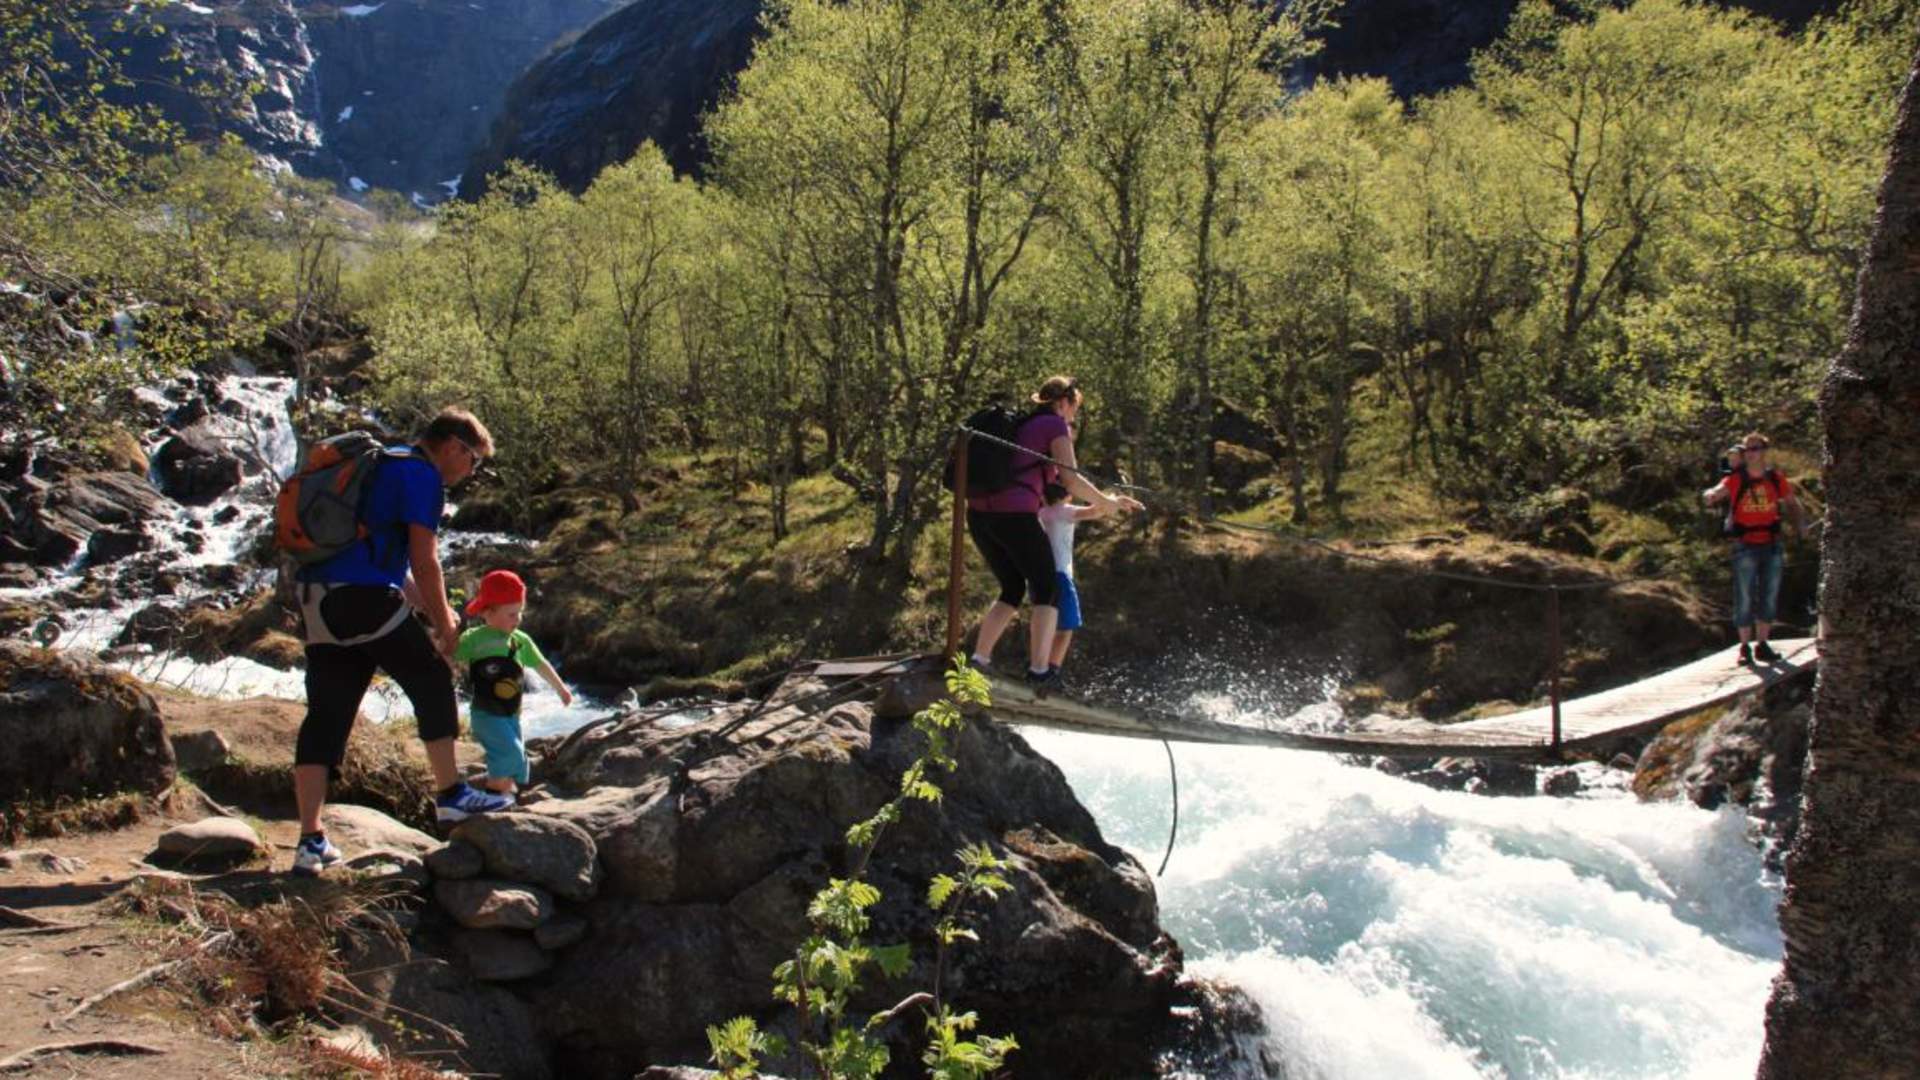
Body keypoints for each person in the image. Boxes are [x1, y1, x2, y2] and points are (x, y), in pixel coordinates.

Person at [290, 407, 515, 876]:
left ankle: (310, 840)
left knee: (327, 715)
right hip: (362, 598)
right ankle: (452, 796)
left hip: (317, 599)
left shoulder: (384, 463)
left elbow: (393, 568)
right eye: (472, 460)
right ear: (452, 447)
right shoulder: (421, 475)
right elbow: (424, 560)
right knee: (431, 677)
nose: (470, 471)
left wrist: (429, 612)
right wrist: (447, 628)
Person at [967, 375, 1142, 692]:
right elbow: (1071, 480)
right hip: (1013, 515)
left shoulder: (1023, 425)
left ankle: (978, 661)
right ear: (1063, 402)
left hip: (979, 515)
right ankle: (1039, 673)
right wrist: (1106, 503)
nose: (1073, 417)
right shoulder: (1053, 425)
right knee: (1047, 588)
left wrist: (1108, 501)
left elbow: (1057, 486)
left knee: (1012, 587)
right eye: (1074, 409)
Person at [455, 569, 573, 798]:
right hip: (486, 714)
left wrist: (561, 689)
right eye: (511, 614)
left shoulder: (520, 641)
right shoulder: (474, 639)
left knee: (514, 761)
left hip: (511, 715)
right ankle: (493, 798)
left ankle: (504, 798)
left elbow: (541, 664)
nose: (517, 619)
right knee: (510, 754)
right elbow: (450, 656)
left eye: (520, 613)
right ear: (487, 613)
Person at [1702, 431, 1803, 666]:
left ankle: (1763, 644)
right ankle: (1745, 646)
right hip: (1745, 544)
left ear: (1764, 451)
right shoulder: (1736, 478)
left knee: (1769, 594)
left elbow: (1791, 502)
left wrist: (1801, 525)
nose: (1751, 453)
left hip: (1771, 543)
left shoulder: (1775, 478)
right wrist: (1710, 495)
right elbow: (1718, 490)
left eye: (1755, 449)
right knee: (1744, 595)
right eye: (1747, 449)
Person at [1036, 482, 1113, 677]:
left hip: (1040, 576)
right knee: (1066, 628)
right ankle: (1051, 671)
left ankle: (1037, 667)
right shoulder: (1064, 510)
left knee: (1046, 625)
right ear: (1067, 496)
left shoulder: (1040, 513)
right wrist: (1110, 500)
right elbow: (1095, 512)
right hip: (1061, 575)